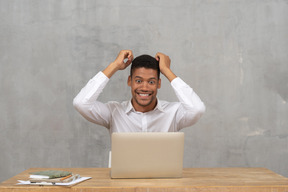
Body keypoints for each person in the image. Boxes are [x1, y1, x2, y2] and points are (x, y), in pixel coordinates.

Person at [73, 50, 205, 134]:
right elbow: (81, 103)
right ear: (129, 81)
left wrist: (166, 70)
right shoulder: (113, 112)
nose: (145, 88)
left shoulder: (174, 113)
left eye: (151, 82)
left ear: (159, 84)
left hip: (163, 178)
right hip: (123, 178)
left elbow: (197, 109)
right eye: (138, 81)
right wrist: (114, 66)